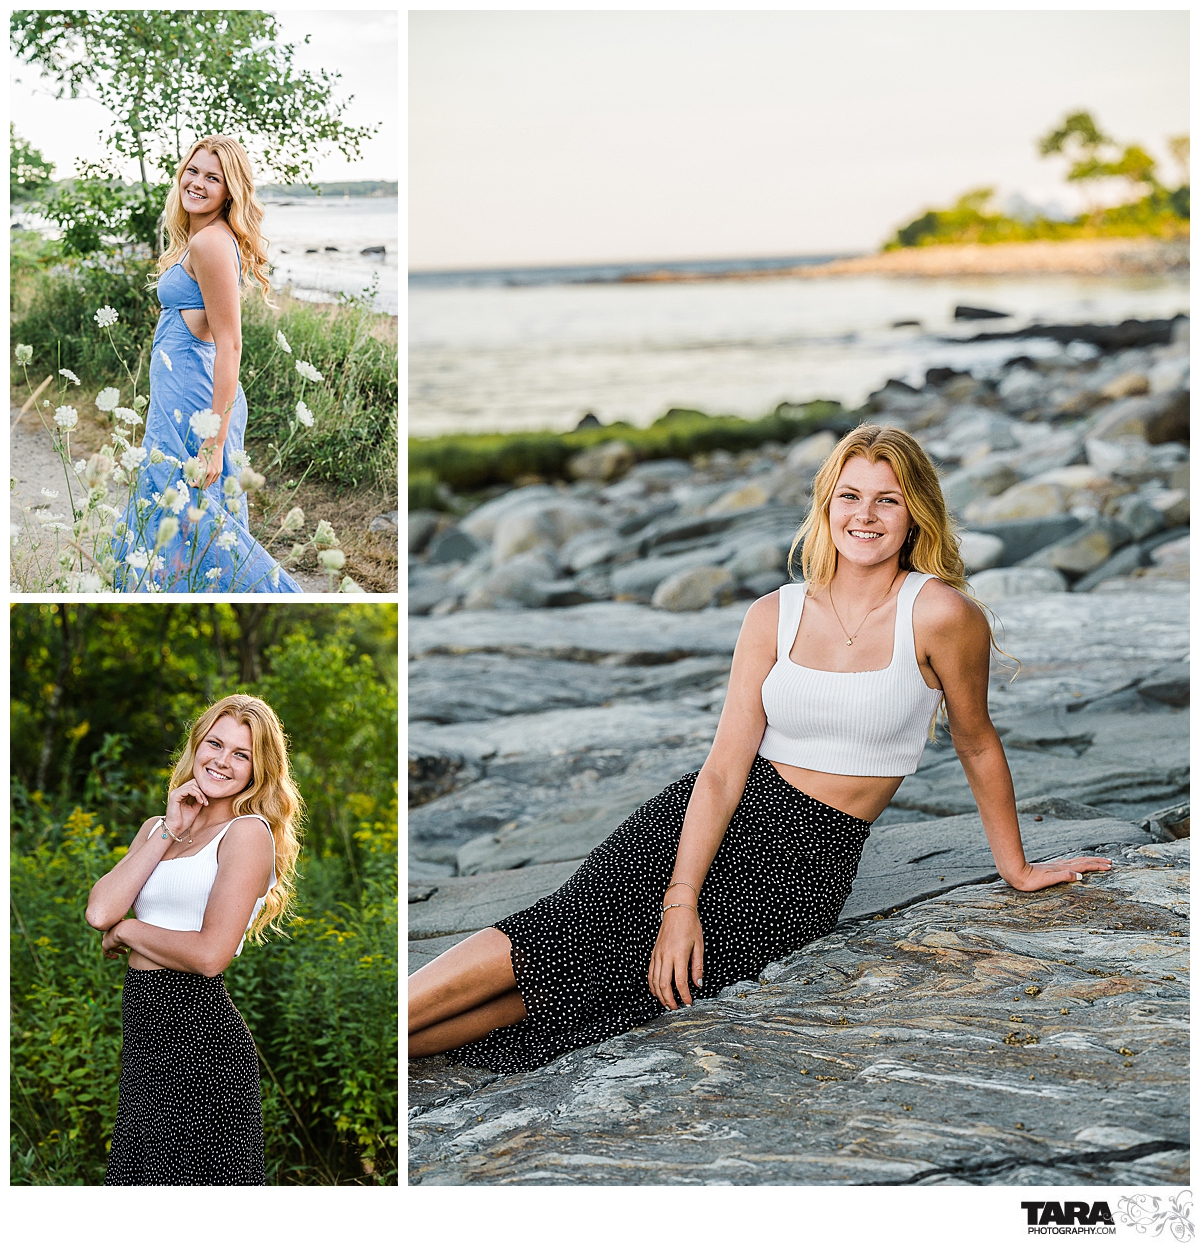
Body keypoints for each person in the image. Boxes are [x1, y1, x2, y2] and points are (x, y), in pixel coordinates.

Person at [408, 424, 1113, 1074]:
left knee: (603, 996)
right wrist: (678, 902)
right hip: (703, 825)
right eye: (850, 497)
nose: (864, 517)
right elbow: (722, 770)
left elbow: (976, 742)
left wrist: (1015, 869)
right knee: (559, 939)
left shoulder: (939, 615)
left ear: (915, 512)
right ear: (826, 505)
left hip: (804, 872)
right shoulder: (774, 614)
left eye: (887, 501)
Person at [86, 694, 302, 1185]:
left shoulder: (247, 833)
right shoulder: (157, 829)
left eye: (241, 754)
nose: (222, 762)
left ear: (257, 769)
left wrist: (129, 930)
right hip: (145, 1031)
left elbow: (209, 956)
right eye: (215, 744)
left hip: (200, 1040)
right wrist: (170, 827)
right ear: (196, 745)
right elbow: (99, 910)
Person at [110, 135, 302, 592]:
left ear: (230, 191)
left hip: (197, 407)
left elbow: (230, 344)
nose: (196, 183)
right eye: (192, 171)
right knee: (176, 512)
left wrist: (214, 441)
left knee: (196, 515)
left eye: (212, 178)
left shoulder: (212, 243)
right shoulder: (199, 239)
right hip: (179, 400)